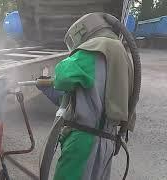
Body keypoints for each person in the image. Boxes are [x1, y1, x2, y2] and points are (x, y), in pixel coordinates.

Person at [38, 12, 138, 180]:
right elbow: (88, 94)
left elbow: (63, 77)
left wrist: (48, 80)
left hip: (83, 140)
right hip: (108, 140)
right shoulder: (122, 54)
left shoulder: (96, 49)